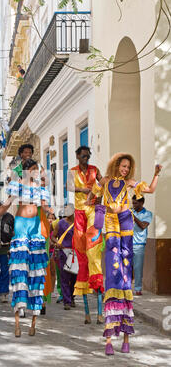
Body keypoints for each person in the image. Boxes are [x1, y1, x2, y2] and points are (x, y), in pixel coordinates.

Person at [88, 154, 162, 355]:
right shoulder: (104, 181)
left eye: (128, 167)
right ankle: (109, 340)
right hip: (110, 222)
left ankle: (126, 338)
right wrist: (95, 206)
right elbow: (91, 196)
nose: (125, 169)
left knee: (126, 273)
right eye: (123, 166)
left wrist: (156, 174)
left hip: (125, 221)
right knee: (113, 273)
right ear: (116, 165)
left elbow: (151, 190)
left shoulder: (130, 183)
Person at [0, 158, 51, 338]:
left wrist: (50, 212)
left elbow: (45, 205)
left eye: (36, 169)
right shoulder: (17, 185)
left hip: (35, 226)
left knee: (35, 270)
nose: (35, 172)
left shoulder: (41, 188)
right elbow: (8, 203)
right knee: (19, 270)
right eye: (32, 169)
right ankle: (18, 318)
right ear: (25, 170)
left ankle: (33, 320)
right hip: (21, 225)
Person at [67, 145, 104, 324]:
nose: (85, 159)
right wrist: (84, 190)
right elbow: (69, 187)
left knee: (93, 252)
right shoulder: (72, 171)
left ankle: (98, 310)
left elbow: (103, 184)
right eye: (83, 156)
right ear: (77, 156)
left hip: (92, 210)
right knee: (81, 255)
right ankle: (88, 313)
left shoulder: (95, 170)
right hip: (79, 212)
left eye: (87, 157)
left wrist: (99, 197)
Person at [52, 205, 77, 310]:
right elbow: (53, 236)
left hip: (75, 253)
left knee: (75, 278)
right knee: (64, 277)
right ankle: (67, 301)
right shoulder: (60, 223)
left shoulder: (78, 223)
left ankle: (72, 297)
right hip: (64, 252)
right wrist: (57, 242)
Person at [132, 195, 153, 296]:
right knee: (126, 266)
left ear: (141, 203)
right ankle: (126, 288)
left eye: (135, 203)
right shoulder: (131, 212)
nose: (133, 205)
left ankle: (138, 289)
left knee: (138, 268)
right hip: (127, 243)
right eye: (133, 203)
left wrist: (133, 217)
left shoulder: (148, 214)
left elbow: (143, 226)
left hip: (139, 245)